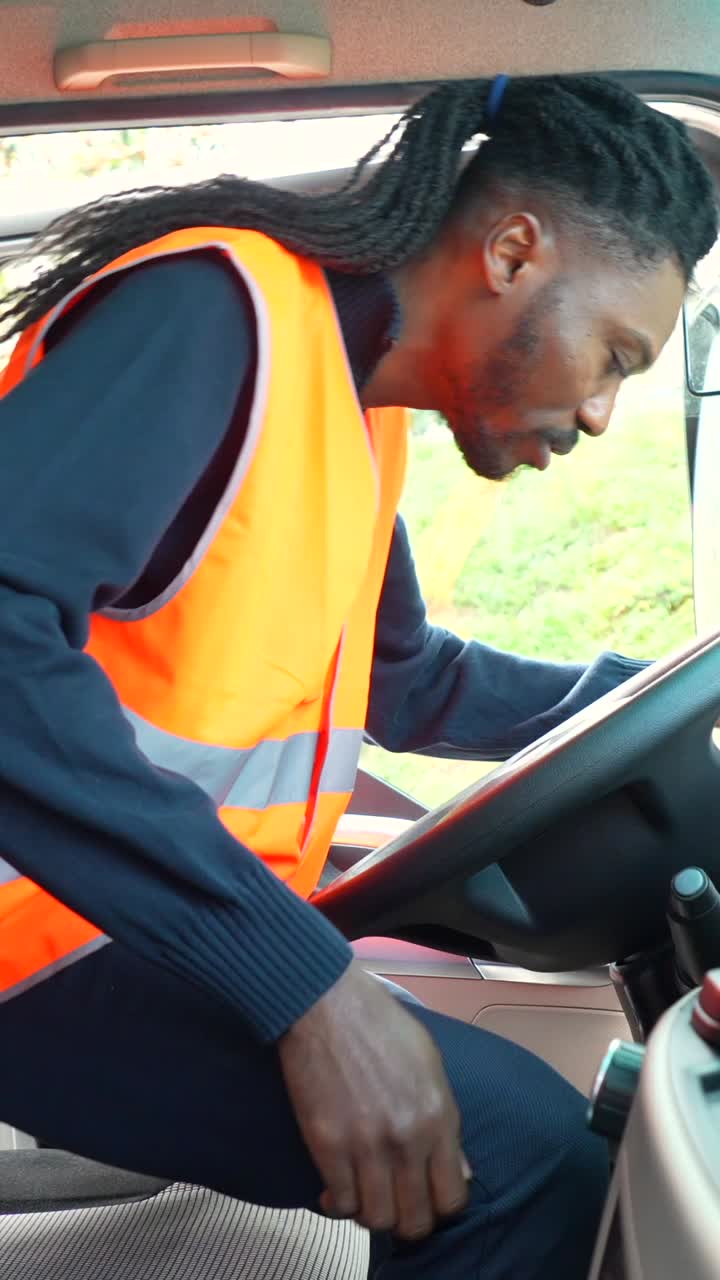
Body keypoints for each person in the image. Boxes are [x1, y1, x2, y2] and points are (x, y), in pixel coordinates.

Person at [0, 73, 715, 1278]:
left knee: (510, 1137)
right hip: (44, 943)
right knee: (528, 1158)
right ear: (513, 250)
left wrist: (644, 693)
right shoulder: (212, 313)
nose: (598, 412)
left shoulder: (357, 398)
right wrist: (306, 987)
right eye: (613, 355)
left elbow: (408, 681)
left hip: (142, 924)